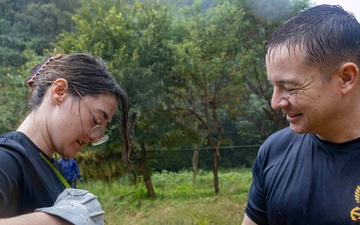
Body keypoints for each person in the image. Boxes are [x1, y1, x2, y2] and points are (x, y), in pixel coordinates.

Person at [242, 4, 360, 225]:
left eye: (290, 87)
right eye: (274, 86)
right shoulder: (274, 150)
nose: (275, 103)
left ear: (346, 78)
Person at [0, 53, 134, 224]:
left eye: (101, 130)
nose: (94, 138)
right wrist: (63, 220)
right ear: (59, 91)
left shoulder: (52, 169)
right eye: (95, 120)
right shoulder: (7, 158)